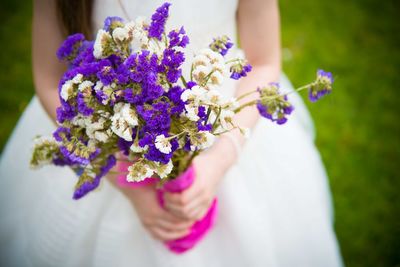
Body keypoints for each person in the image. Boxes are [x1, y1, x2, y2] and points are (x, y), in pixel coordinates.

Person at [0, 0, 344, 266]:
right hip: (109, 139)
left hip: (225, 123)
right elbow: (50, 80)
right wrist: (126, 181)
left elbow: (265, 61)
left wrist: (220, 160)